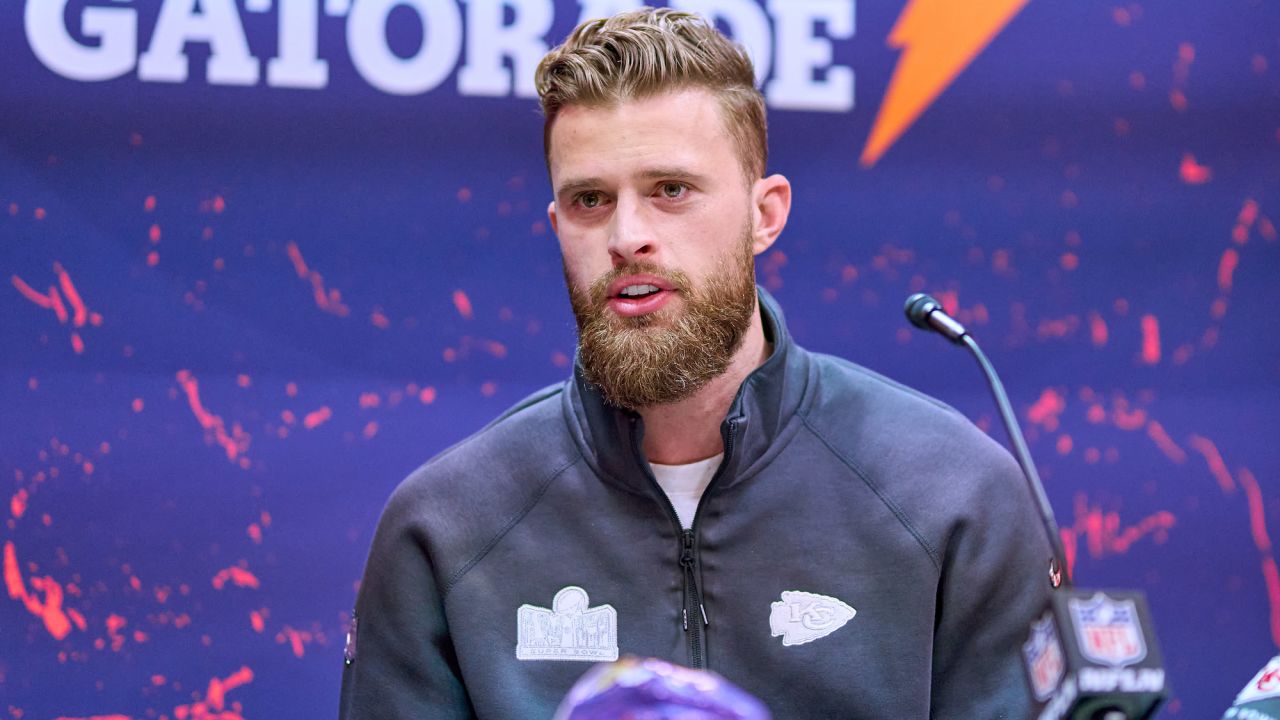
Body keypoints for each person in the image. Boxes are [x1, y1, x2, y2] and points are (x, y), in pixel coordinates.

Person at [339, 8, 1052, 719]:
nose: (627, 237)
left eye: (670, 190)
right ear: (558, 227)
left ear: (764, 214)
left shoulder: (953, 495)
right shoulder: (446, 527)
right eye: (590, 200)